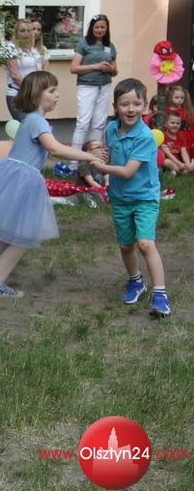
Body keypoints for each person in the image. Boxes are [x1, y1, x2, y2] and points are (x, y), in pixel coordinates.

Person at [0, 71, 104, 298]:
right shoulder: (37, 121)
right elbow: (55, 149)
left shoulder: (30, 120)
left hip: (16, 177)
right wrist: (88, 156)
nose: (57, 95)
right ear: (37, 94)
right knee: (24, 235)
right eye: (52, 91)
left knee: (15, 227)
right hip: (24, 180)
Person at [90, 78, 171, 316]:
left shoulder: (145, 137)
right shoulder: (111, 129)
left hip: (144, 197)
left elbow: (127, 172)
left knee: (145, 243)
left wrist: (102, 168)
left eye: (137, 104)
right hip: (120, 197)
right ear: (115, 106)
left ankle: (160, 294)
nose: (131, 109)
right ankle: (136, 281)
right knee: (126, 245)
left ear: (145, 106)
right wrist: (101, 155)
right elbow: (110, 154)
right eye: (125, 104)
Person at [70, 14, 117, 155]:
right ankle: (74, 160)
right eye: (96, 27)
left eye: (103, 27)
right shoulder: (84, 43)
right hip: (87, 86)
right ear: (91, 28)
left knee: (99, 124)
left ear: (107, 28)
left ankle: (95, 158)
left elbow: (115, 71)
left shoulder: (110, 46)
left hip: (105, 86)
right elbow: (74, 68)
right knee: (83, 123)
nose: (99, 30)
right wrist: (96, 66)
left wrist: (110, 69)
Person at [3, 19, 43, 121]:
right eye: (22, 31)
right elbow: (15, 75)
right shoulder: (11, 48)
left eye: (28, 30)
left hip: (33, 95)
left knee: (34, 126)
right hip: (17, 95)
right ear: (16, 33)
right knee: (26, 125)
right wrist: (32, 89)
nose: (26, 33)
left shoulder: (33, 50)